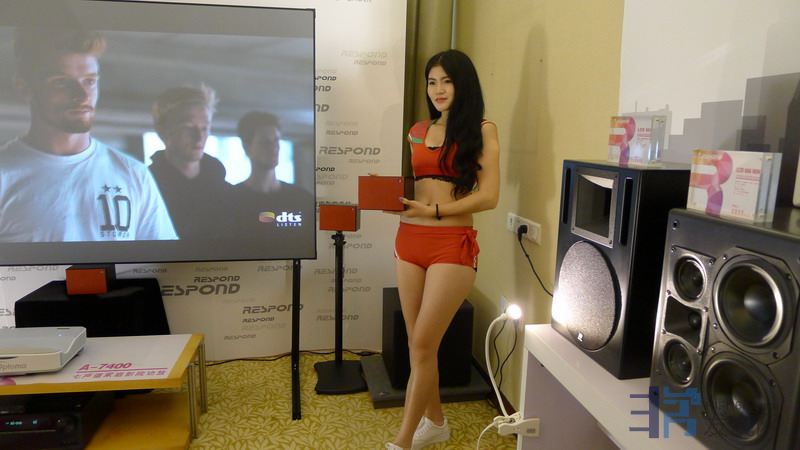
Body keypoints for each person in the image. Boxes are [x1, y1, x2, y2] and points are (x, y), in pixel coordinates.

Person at [386, 49, 500, 449]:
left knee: (422, 345)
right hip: (408, 239)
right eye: (432, 82)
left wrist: (436, 211)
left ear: (462, 84)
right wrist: (393, 196)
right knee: (419, 345)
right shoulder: (417, 130)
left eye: (447, 81)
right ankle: (435, 422)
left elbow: (489, 197)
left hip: (451, 243)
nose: (438, 89)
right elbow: (418, 186)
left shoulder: (483, 130)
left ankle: (402, 441)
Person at [0, 28, 177, 242]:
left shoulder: (134, 174)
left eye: (90, 81)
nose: (83, 95)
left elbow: (163, 261)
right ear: (24, 88)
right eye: (61, 81)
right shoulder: (5, 174)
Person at [149, 84, 235, 239]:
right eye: (188, 127)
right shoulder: (146, 190)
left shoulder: (227, 194)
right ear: (162, 129)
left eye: (205, 128)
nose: (199, 137)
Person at [232, 111, 314, 242]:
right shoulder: (231, 201)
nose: (273, 148)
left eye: (276, 140)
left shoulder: (302, 199)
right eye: (265, 142)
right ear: (247, 147)